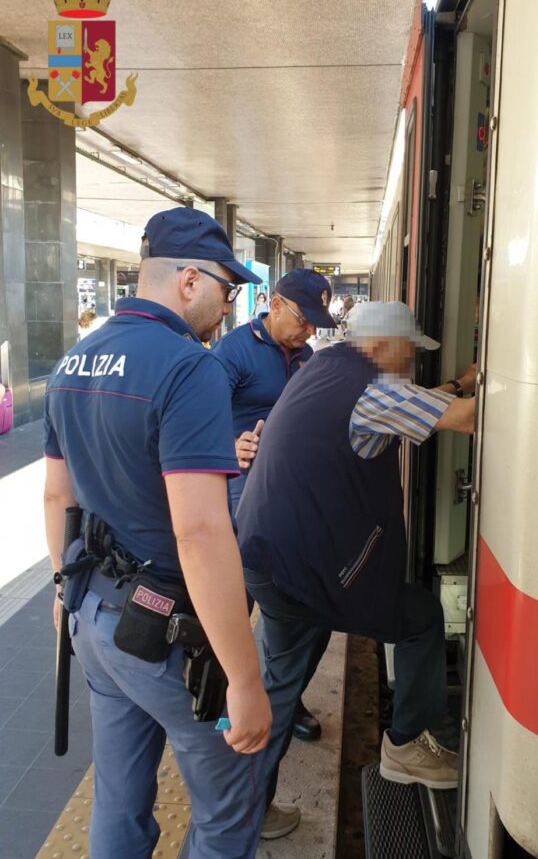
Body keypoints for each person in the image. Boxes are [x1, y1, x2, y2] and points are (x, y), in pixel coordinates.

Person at [43, 208, 271, 859]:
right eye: (229, 291)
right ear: (191, 281)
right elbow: (200, 532)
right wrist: (246, 680)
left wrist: (64, 597)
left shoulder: (73, 362)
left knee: (118, 801)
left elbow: (58, 497)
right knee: (229, 809)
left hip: (95, 618)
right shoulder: (187, 368)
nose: (229, 309)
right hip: (169, 638)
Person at [225, 301, 476, 853]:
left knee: (281, 685)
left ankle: (242, 810)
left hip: (271, 556)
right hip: (307, 566)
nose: (410, 362)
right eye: (409, 351)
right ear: (384, 345)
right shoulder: (375, 387)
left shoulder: (324, 365)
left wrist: (459, 380)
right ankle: (406, 746)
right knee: (420, 618)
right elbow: (467, 419)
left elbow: (418, 406)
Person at [213, 267, 338, 840]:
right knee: (233, 623)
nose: (307, 331)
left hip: (286, 512)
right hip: (241, 513)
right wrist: (228, 445)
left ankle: (281, 700)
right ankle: (230, 715)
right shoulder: (233, 353)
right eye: (302, 318)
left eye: (316, 323)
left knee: (284, 630)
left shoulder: (306, 358)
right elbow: (188, 422)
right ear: (273, 302)